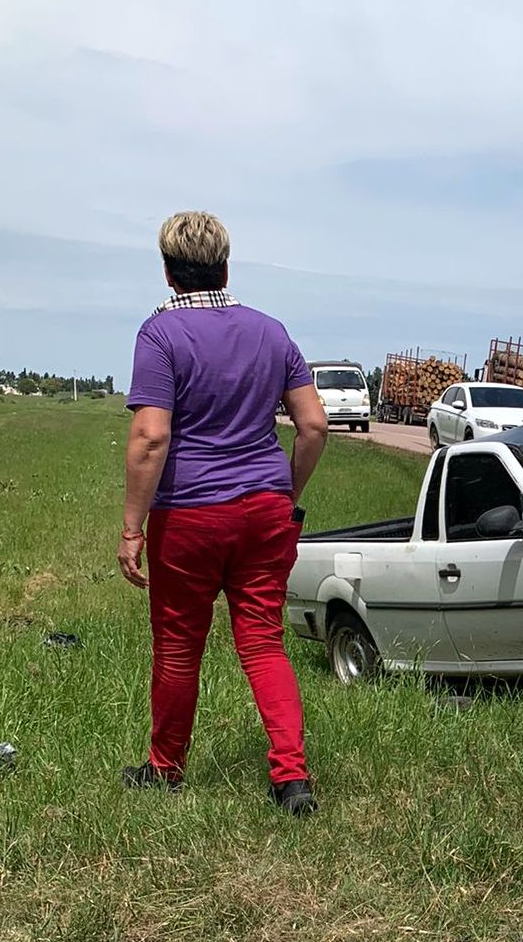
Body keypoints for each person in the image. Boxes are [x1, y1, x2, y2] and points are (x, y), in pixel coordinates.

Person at [118, 211, 329, 815]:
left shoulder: (159, 336)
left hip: (188, 516)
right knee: (263, 643)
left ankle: (166, 769)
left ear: (167, 273)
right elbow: (313, 426)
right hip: (265, 511)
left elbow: (150, 438)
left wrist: (132, 528)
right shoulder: (271, 331)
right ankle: (292, 780)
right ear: (226, 267)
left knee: (180, 647)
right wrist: (284, 490)